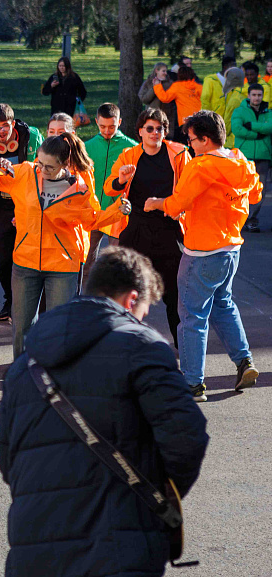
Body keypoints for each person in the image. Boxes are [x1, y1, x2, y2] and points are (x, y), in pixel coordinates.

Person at [0, 247, 209, 577]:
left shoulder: (24, 366)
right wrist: (153, 495)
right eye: (143, 310)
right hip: (119, 548)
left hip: (33, 548)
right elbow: (187, 436)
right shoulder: (143, 347)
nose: (141, 320)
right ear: (130, 300)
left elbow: (9, 461)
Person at [143, 110, 262, 401]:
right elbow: (255, 194)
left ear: (206, 140)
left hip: (201, 251)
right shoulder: (240, 161)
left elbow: (176, 204)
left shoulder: (200, 166)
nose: (189, 144)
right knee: (224, 305)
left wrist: (155, 203)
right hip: (231, 248)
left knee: (192, 317)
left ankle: (193, 384)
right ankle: (244, 361)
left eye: (192, 139)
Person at [0, 133, 130, 359]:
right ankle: (23, 375)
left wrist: (117, 210)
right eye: (39, 163)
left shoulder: (78, 187)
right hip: (25, 261)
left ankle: (55, 375)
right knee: (22, 328)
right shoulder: (24, 172)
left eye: (49, 167)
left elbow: (91, 219)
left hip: (62, 265)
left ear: (65, 164)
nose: (42, 169)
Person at [104, 108, 190, 347]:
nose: (154, 133)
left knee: (174, 295)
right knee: (131, 292)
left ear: (165, 131)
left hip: (168, 229)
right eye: (149, 128)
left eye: (159, 128)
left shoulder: (180, 153)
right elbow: (109, 188)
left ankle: (183, 349)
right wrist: (121, 179)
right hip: (136, 230)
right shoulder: (129, 155)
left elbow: (188, 191)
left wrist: (170, 207)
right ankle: (129, 346)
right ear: (140, 131)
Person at [0, 103, 44, 322]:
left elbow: (41, 167)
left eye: (5, 126)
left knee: (29, 255)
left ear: (13, 124)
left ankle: (29, 303)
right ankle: (11, 300)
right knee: (4, 258)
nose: (1, 131)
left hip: (26, 201)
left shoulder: (31, 136)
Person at [82, 103, 137, 289]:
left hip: (120, 213)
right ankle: (85, 300)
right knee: (86, 261)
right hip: (93, 211)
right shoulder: (86, 147)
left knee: (119, 263)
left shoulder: (132, 148)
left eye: (112, 126)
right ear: (96, 122)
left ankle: (116, 304)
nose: (107, 131)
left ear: (120, 122)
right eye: (103, 126)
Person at [232, 83, 272, 232]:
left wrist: (251, 125)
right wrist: (258, 133)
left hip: (263, 155)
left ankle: (252, 219)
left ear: (262, 96)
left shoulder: (268, 112)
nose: (256, 98)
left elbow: (270, 127)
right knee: (242, 189)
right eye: (254, 95)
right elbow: (237, 129)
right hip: (244, 155)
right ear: (248, 96)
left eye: (259, 95)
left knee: (260, 189)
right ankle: (240, 217)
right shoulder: (239, 111)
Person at [153, 66, 202, 144]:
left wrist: (157, 86)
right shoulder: (199, 87)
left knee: (187, 142)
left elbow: (165, 98)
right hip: (200, 118)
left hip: (185, 120)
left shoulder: (177, 86)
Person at [139, 61, 178, 128]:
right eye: (163, 71)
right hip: (152, 116)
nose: (166, 73)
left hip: (167, 117)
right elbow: (144, 99)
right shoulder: (148, 82)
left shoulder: (170, 84)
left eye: (166, 71)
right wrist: (154, 88)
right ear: (157, 71)